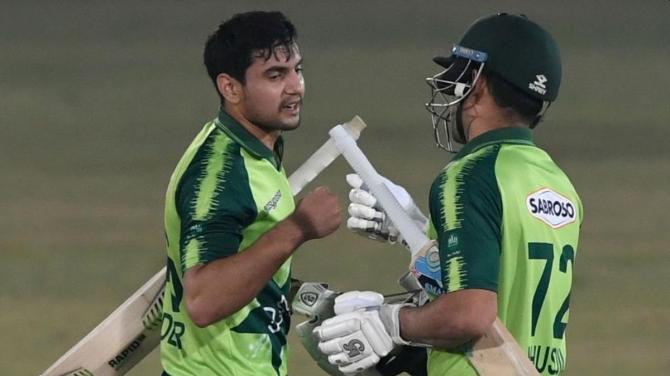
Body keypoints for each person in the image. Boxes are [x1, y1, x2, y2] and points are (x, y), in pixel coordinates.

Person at [314, 13, 583, 375]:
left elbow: (471, 314)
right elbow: (502, 279)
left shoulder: (470, 175)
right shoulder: (558, 183)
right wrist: (416, 229)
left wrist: (389, 323)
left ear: (479, 86)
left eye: (460, 78)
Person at [160, 11, 341, 376]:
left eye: (297, 70)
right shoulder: (220, 174)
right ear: (230, 88)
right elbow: (203, 299)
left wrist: (308, 297)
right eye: (275, 76)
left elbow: (243, 258)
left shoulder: (258, 150)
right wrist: (298, 227)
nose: (295, 87)